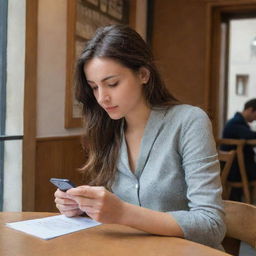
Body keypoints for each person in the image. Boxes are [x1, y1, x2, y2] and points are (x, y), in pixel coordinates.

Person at [54, 24, 225, 250]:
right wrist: (85, 206)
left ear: (143, 74)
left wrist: (122, 212)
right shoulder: (109, 130)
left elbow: (211, 224)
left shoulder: (189, 121)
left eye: (112, 83)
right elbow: (115, 211)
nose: (102, 98)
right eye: (94, 87)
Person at [221, 99, 256, 201]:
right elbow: (251, 136)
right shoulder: (236, 123)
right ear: (250, 110)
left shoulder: (237, 122)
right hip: (235, 171)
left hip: (236, 168)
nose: (255, 119)